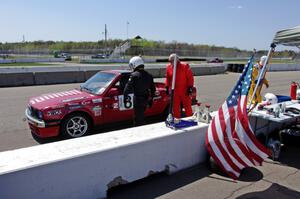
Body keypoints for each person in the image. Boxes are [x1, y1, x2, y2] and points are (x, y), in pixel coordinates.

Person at [124, 56, 156, 126]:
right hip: (145, 100)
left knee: (137, 120)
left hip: (138, 101)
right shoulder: (149, 75)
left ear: (135, 64)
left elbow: (127, 89)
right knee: (141, 117)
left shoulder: (133, 75)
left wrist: (125, 98)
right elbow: (153, 89)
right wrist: (151, 99)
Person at [165, 53, 194, 118]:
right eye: (169, 61)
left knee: (187, 107)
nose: (170, 62)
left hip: (185, 90)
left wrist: (190, 87)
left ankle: (190, 119)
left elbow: (190, 78)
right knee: (175, 108)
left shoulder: (185, 66)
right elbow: (167, 78)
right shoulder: (168, 67)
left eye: (171, 61)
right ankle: (177, 120)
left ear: (176, 60)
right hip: (175, 91)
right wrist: (166, 87)